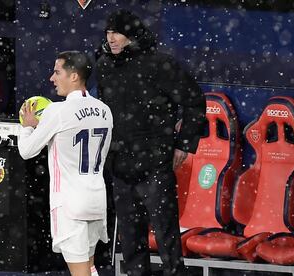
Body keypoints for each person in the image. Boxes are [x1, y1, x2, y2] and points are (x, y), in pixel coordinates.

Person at [96, 9, 206, 276]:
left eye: (117, 33)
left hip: (155, 163)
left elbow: (194, 102)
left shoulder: (159, 64)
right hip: (121, 165)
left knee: (167, 237)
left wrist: (184, 144)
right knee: (131, 240)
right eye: (109, 32)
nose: (112, 38)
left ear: (132, 35)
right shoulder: (103, 66)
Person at [18, 51, 113, 276]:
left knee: (80, 273)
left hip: (70, 205)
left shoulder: (57, 111)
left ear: (74, 76)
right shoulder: (105, 110)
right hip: (97, 200)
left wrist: (27, 126)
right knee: (90, 268)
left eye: (57, 72)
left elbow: (26, 151)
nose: (52, 78)